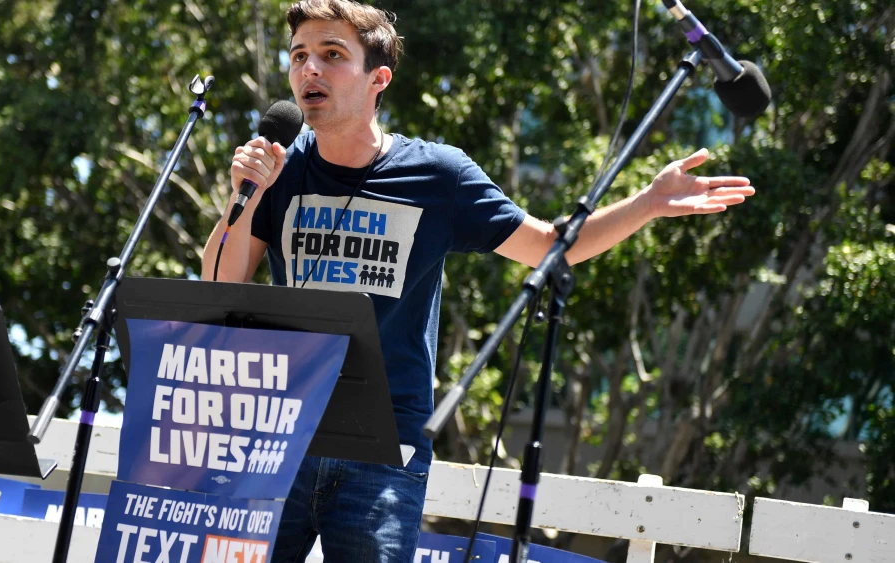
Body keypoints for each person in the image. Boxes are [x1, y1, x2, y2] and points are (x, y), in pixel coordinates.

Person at [201, 1, 755, 561]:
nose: (308, 70)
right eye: (299, 56)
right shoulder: (280, 168)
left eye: (331, 54)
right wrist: (244, 196)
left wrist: (648, 204)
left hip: (383, 449)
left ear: (378, 79)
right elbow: (220, 280)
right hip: (279, 434)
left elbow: (549, 246)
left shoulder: (438, 174)